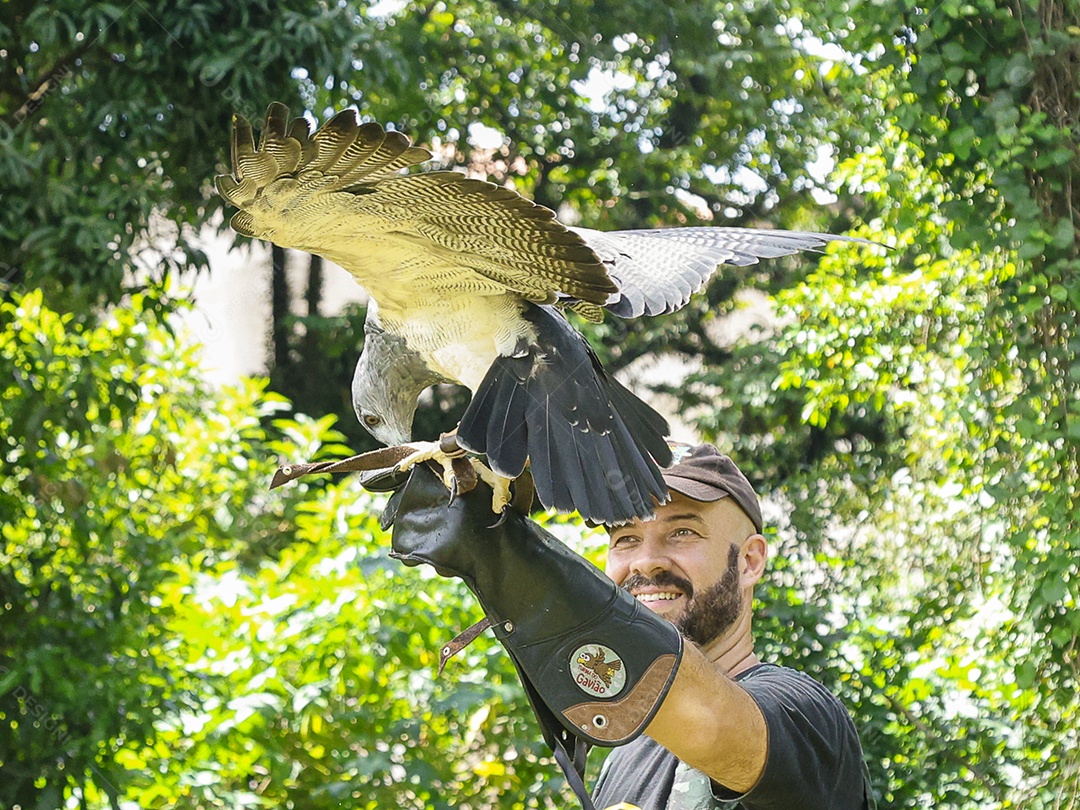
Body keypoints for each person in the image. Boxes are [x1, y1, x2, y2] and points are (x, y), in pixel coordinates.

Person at [384, 443, 873, 810]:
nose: (646, 561)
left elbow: (713, 722)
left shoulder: (803, 713)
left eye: (682, 531)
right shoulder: (630, 749)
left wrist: (507, 556)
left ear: (749, 561)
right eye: (625, 538)